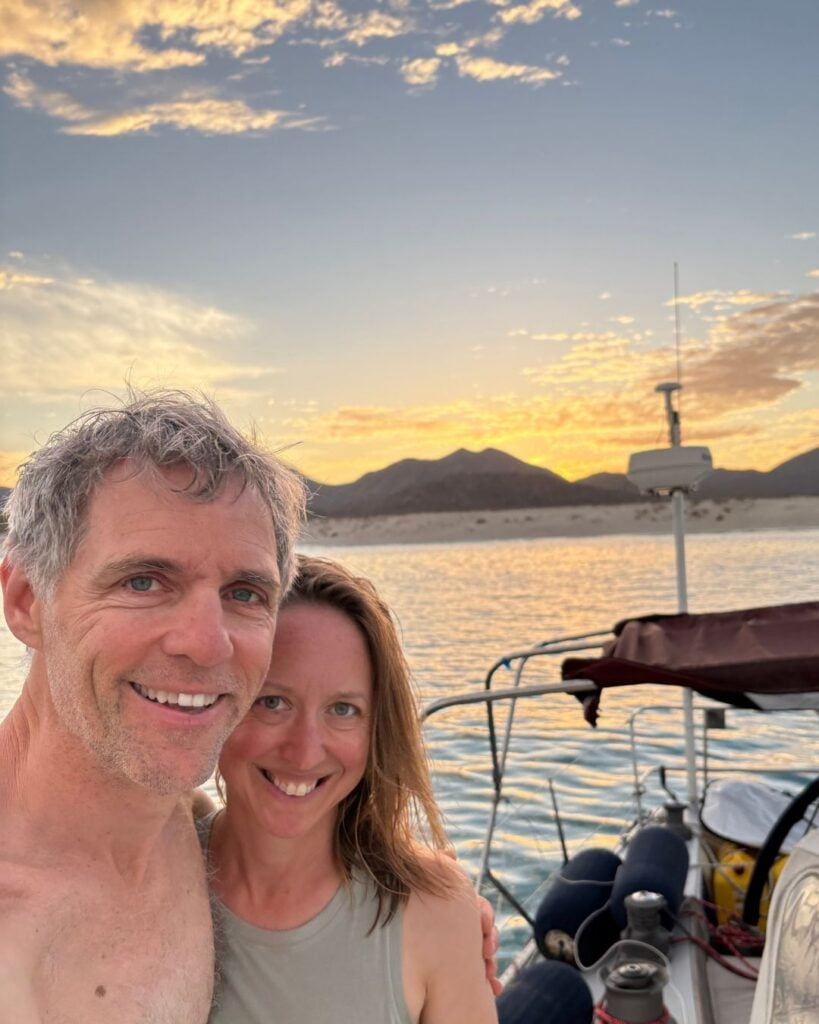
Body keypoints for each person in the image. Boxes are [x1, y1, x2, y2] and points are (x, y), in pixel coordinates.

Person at [0, 390, 306, 1023]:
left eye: (245, 593)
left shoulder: (192, 832)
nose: (207, 642)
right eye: (143, 582)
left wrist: (408, 897)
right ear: (28, 601)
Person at [198, 555, 500, 1023]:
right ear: (217, 703)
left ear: (377, 729)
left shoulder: (433, 913)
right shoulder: (148, 877)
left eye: (343, 710)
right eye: (272, 702)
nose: (304, 752)